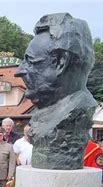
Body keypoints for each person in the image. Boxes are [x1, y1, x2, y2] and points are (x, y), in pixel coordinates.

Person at [15, 13, 97, 169]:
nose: (19, 71)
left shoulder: (76, 112)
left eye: (31, 61)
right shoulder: (44, 114)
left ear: (61, 62)